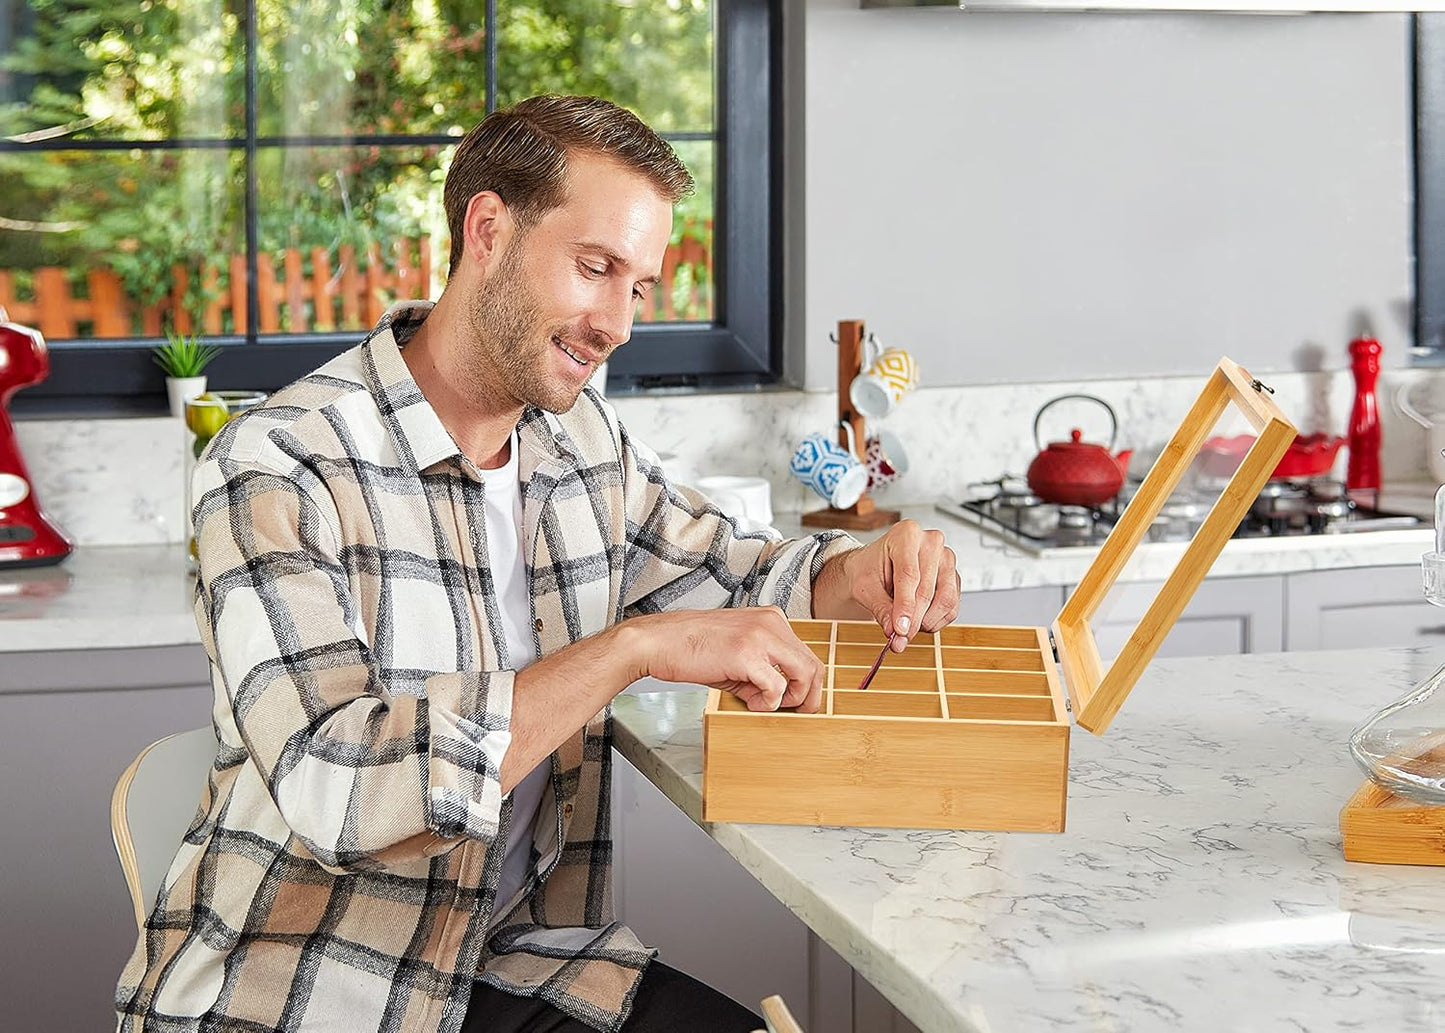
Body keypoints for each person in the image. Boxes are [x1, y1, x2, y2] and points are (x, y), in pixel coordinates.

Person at [115, 94, 959, 1033]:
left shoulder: (579, 442)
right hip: (303, 994)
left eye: (639, 287)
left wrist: (861, 570)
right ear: (487, 230)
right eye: (595, 268)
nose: (619, 323)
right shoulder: (276, 465)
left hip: (513, 964)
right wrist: (628, 649)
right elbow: (336, 789)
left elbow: (738, 576)